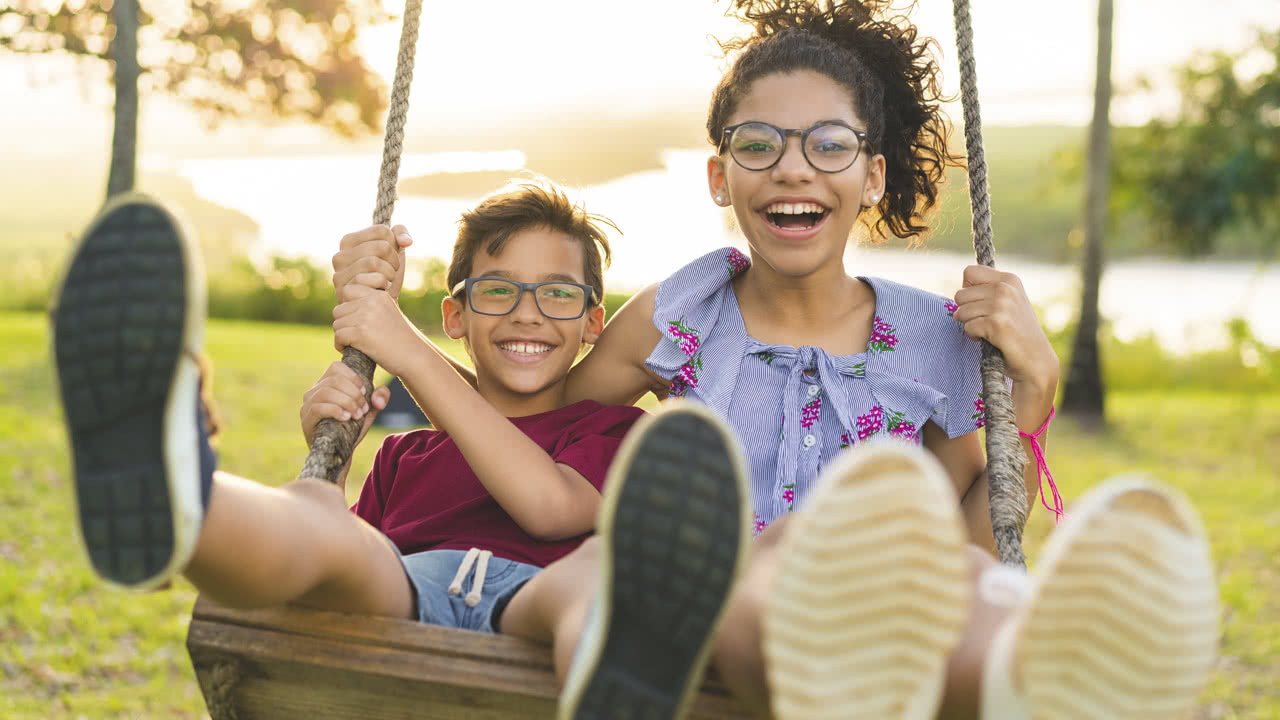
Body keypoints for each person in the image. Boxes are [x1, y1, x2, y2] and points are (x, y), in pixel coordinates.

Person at [333, 2, 1220, 718]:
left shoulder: (943, 339)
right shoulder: (686, 312)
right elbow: (537, 406)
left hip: (887, 610)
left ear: (870, 176)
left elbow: (966, 513)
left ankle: (1033, 675)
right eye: (759, 145)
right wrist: (385, 355)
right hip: (733, 617)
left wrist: (1029, 396)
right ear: (721, 178)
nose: (793, 170)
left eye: (829, 146)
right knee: (775, 577)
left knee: (950, 556)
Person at [50, 186, 753, 720]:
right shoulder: (405, 454)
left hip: (538, 601)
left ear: (594, 324)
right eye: (498, 291)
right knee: (321, 520)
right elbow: (347, 565)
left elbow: (548, 507)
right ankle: (182, 499)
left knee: (604, 571)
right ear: (456, 316)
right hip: (405, 594)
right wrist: (334, 453)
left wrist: (401, 346)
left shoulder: (607, 431)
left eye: (560, 295)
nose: (528, 312)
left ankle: (616, 670)